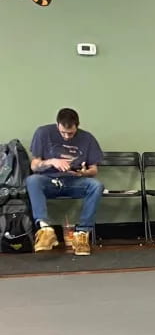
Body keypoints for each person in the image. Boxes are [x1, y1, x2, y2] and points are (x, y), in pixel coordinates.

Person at [26, 108, 104, 256]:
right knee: (32, 180)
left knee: (96, 185)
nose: (67, 137)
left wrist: (83, 172)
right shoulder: (43, 133)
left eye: (71, 133)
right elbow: (34, 166)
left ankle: (82, 234)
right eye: (63, 133)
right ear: (57, 125)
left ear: (77, 126)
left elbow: (94, 170)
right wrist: (51, 161)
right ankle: (45, 230)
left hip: (74, 181)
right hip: (49, 181)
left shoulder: (87, 138)